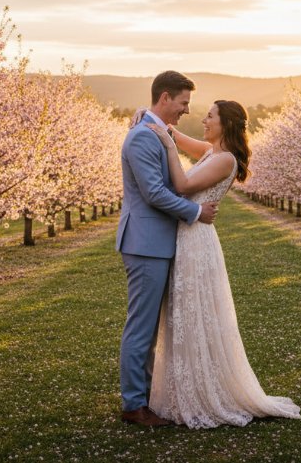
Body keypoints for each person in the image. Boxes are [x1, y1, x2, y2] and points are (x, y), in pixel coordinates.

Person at [143, 99, 301, 429]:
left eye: (210, 116)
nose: (203, 119)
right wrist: (153, 120)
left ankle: (204, 393)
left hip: (196, 242)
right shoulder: (212, 151)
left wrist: (166, 146)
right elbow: (176, 136)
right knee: (184, 313)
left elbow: (183, 186)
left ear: (225, 123)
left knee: (194, 312)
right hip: (188, 237)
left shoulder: (225, 159)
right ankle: (183, 387)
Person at [116, 71, 219, 427]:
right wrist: (196, 212)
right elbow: (154, 193)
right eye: (183, 103)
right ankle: (133, 405)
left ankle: (143, 398)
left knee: (150, 326)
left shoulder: (153, 131)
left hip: (157, 242)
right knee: (141, 327)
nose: (186, 110)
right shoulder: (143, 138)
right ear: (165, 98)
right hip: (146, 244)